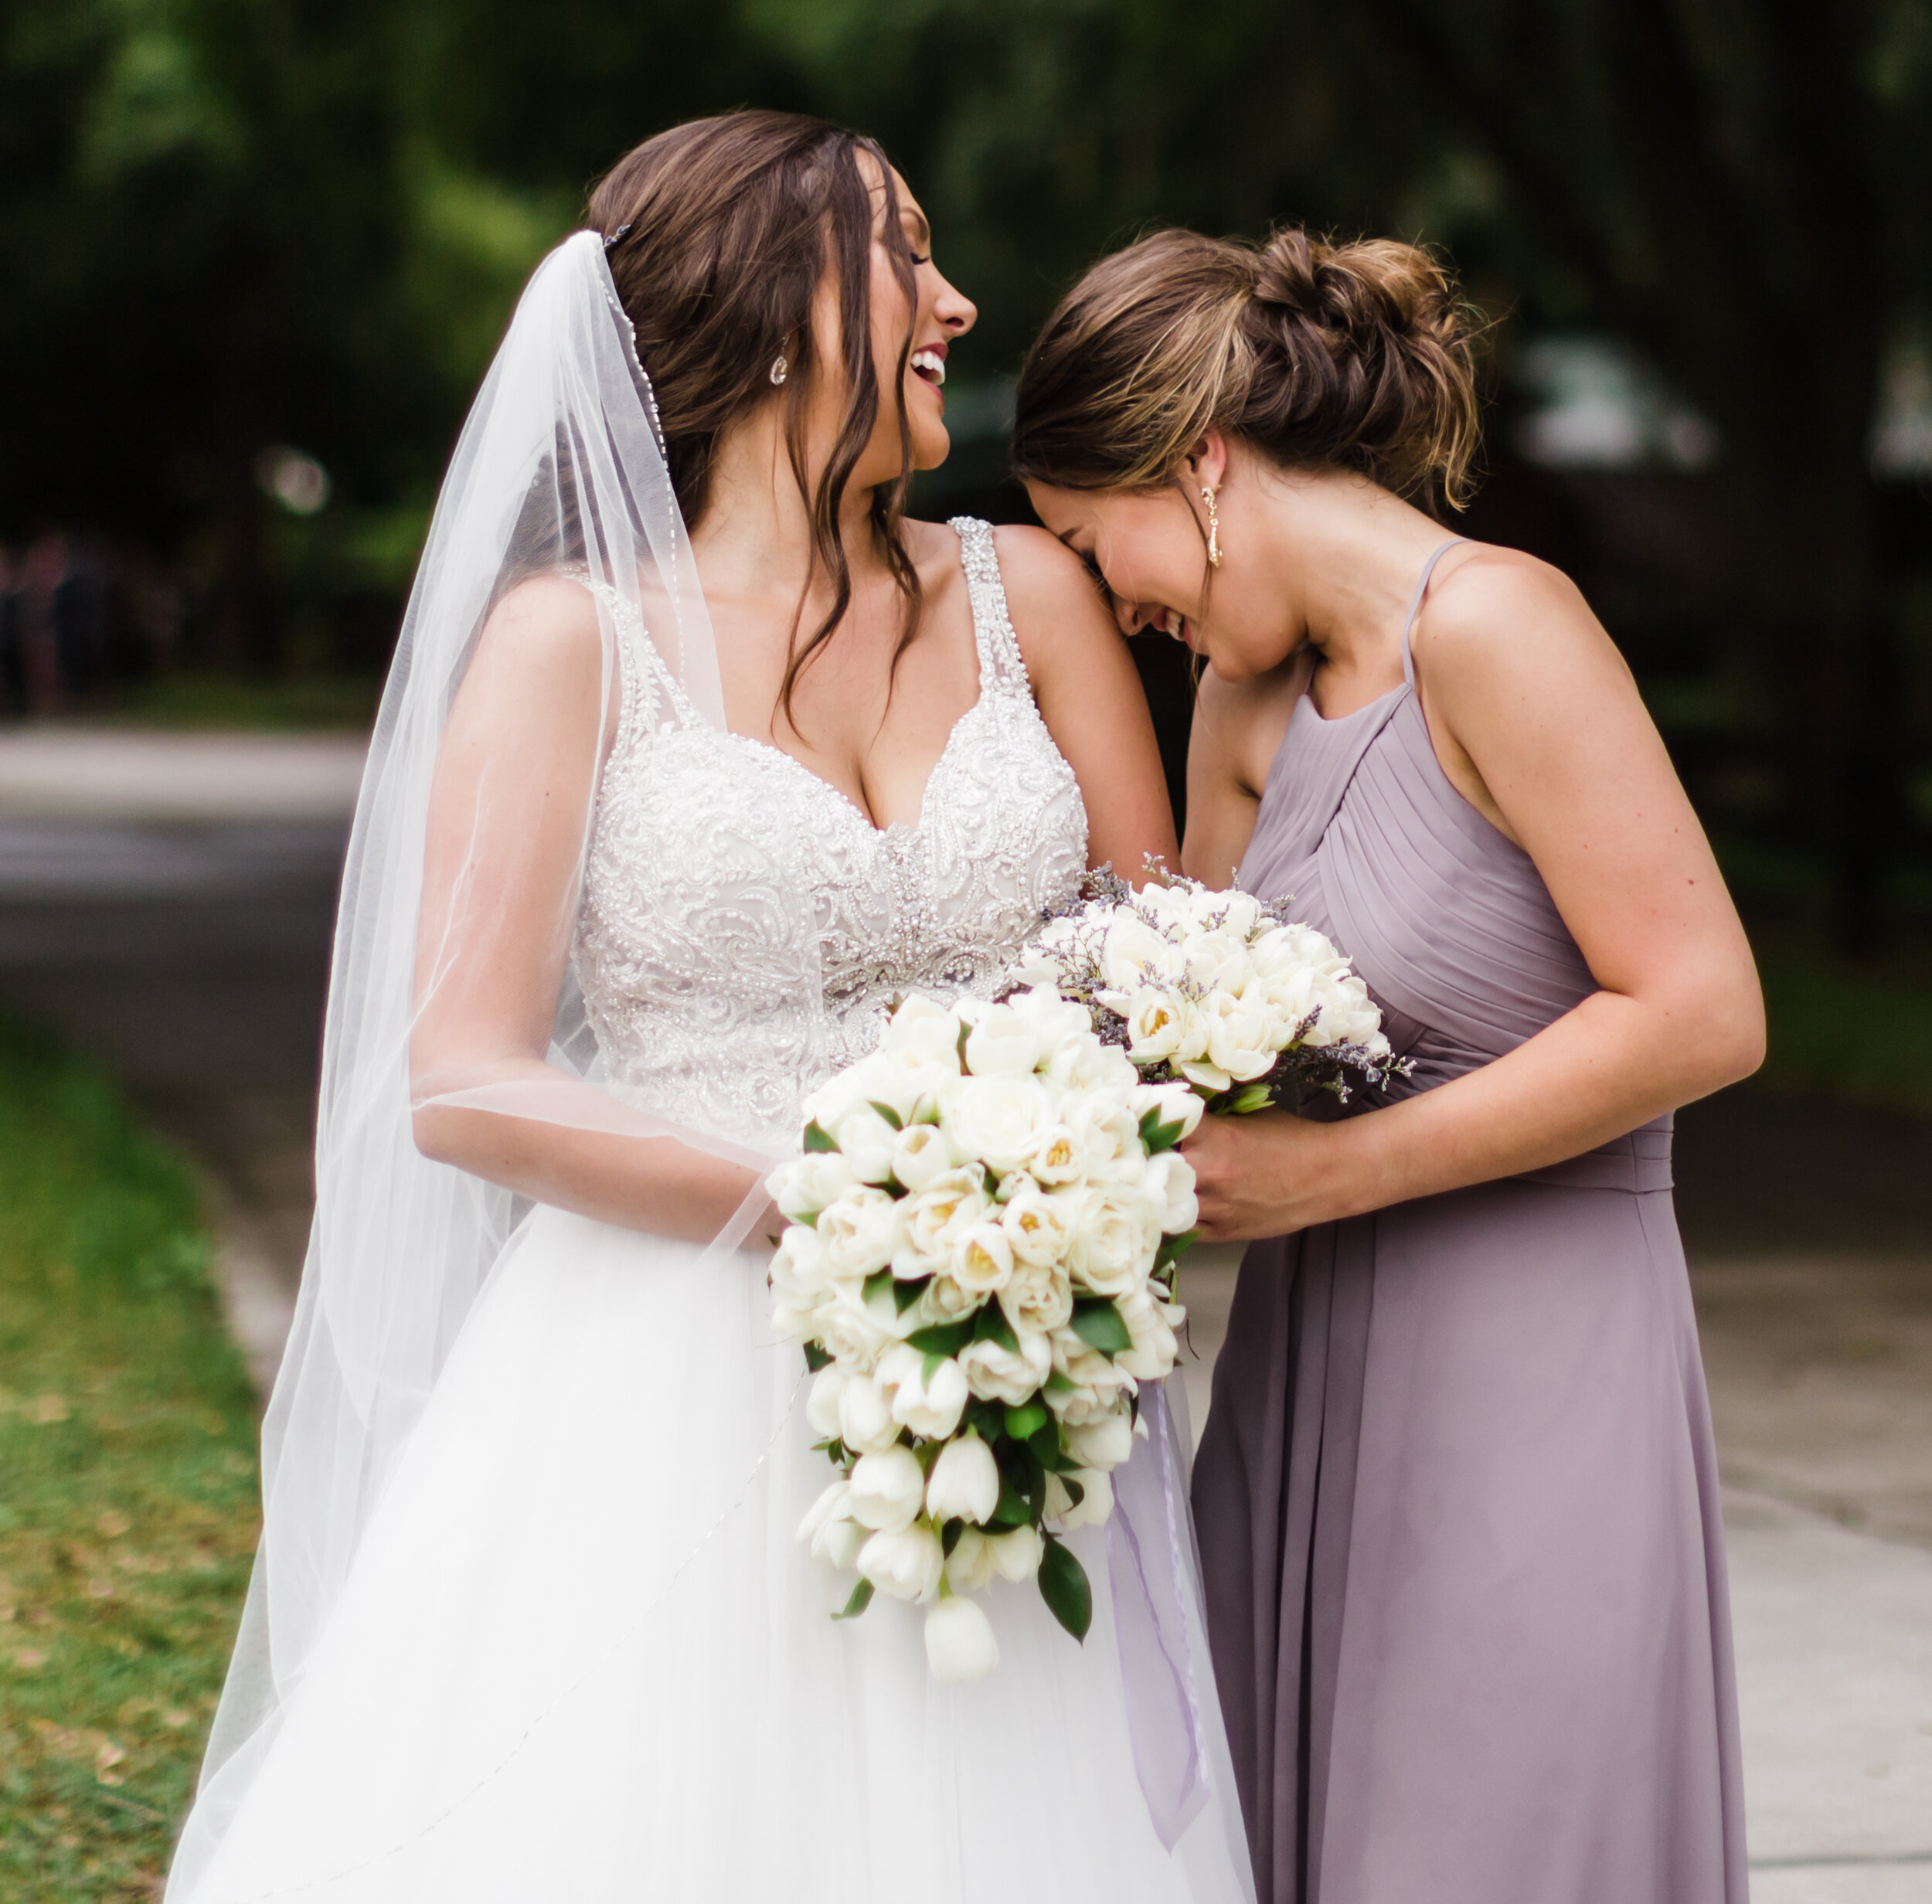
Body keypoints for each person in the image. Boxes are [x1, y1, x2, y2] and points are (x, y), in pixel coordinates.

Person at [166, 112, 1254, 1904]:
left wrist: (1040, 1196)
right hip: (658, 1372)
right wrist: (850, 1202)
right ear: (766, 316)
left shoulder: (1033, 592)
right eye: (906, 255)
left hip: (1010, 1349)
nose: (957, 302)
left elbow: (1152, 969)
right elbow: (463, 1080)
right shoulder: (567, 644)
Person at [1012, 225, 1764, 1904]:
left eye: (1092, 536)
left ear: (1197, 461)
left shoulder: (1498, 628)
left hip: (1529, 1359)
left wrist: (1331, 1172)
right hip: (1293, 1376)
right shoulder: (1238, 703)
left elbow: (1702, 1009)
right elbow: (1171, 1026)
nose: (1114, 599)